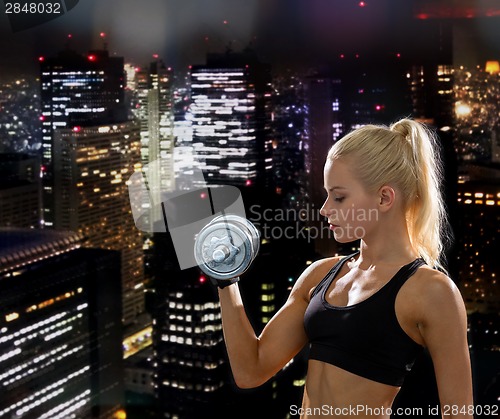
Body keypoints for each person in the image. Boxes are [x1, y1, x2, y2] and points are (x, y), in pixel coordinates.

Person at [216, 118, 474, 418]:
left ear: (384, 197)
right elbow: (251, 370)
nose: (325, 208)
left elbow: (459, 413)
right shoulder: (319, 275)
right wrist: (226, 279)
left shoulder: (432, 291)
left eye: (339, 197)